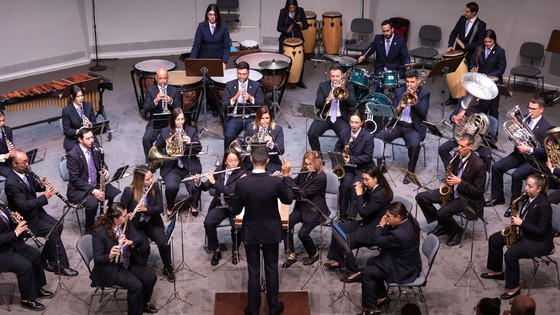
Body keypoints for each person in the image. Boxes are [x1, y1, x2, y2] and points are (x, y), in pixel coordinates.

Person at [230, 146, 294, 315]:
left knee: (253, 270)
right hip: (271, 231)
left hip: (251, 231)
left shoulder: (242, 183)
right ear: (267, 161)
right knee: (272, 267)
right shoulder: (276, 181)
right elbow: (288, 199)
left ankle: (253, 309)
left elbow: (235, 209)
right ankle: (273, 306)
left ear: (250, 160)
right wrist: (286, 176)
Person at [5, 149, 79, 277]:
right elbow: (25, 205)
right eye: (23, 163)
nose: (27, 165)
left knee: (58, 225)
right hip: (26, 219)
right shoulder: (11, 183)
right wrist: (45, 197)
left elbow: (34, 186)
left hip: (35, 212)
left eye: (27, 161)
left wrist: (41, 185)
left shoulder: (25, 171)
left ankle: (45, 257)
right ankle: (61, 266)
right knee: (53, 230)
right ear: (14, 164)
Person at [481, 174, 554, 300]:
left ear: (539, 189)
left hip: (538, 241)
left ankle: (514, 288)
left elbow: (541, 231)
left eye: (530, 186)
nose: (526, 188)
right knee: (494, 239)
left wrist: (522, 224)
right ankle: (496, 271)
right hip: (524, 232)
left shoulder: (544, 206)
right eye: (526, 184)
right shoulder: (528, 197)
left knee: (510, 255)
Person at [485, 98, 553, 217]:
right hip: (519, 155)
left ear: (541, 109)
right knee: (496, 167)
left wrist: (529, 149)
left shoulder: (547, 127)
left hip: (534, 160)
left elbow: (545, 152)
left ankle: (514, 206)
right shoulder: (524, 118)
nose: (530, 111)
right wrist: (512, 132)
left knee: (516, 175)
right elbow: (516, 138)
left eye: (534, 109)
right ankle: (497, 197)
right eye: (529, 108)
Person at [324, 165, 393, 281]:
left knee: (343, 241)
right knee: (337, 228)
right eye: (363, 179)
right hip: (368, 221)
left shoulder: (379, 195)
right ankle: (340, 260)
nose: (364, 182)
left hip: (373, 228)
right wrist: (364, 191)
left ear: (376, 178)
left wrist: (359, 194)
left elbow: (363, 212)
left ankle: (354, 272)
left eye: (367, 179)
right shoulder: (375, 188)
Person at [417, 134, 486, 246]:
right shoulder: (457, 155)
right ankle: (443, 224)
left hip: (466, 198)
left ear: (471, 146)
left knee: (441, 213)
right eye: (458, 145)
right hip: (452, 190)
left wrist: (459, 182)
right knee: (421, 197)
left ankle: (457, 231)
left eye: (462, 146)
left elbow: (478, 191)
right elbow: (453, 172)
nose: (459, 148)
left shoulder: (479, 165)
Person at [91, 203, 157, 315]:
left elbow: (138, 239)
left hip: (126, 261)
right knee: (137, 286)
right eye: (124, 215)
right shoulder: (99, 232)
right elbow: (98, 258)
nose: (128, 216)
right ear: (115, 219)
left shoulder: (125, 222)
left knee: (151, 277)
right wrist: (110, 255)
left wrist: (130, 242)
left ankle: (141, 305)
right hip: (110, 268)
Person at [357, 202, 422, 315]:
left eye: (388, 216)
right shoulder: (411, 221)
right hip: (407, 260)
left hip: (402, 269)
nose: (386, 218)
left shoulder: (399, 235)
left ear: (398, 217)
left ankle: (370, 310)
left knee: (367, 273)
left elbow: (376, 240)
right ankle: (381, 297)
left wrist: (381, 225)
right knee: (370, 261)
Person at [120, 165, 175, 282]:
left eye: (151, 177)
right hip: (137, 226)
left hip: (151, 221)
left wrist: (146, 209)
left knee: (163, 243)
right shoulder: (129, 192)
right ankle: (141, 271)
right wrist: (128, 215)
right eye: (148, 179)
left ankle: (168, 267)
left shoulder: (154, 186)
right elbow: (121, 212)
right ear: (139, 181)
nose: (151, 180)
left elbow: (160, 207)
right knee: (144, 247)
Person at [375, 69, 430, 184]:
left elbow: (423, 112)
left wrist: (414, 102)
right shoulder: (400, 91)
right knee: (379, 137)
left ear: (418, 81)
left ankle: (410, 172)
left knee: (415, 145)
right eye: (408, 82)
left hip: (413, 127)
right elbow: (393, 112)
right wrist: (400, 106)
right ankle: (381, 164)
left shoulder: (424, 93)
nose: (409, 85)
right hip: (399, 124)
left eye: (412, 82)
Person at [196, 148, 246, 266]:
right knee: (208, 223)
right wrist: (199, 182)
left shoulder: (242, 174)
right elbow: (206, 187)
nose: (233, 163)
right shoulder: (219, 170)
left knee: (236, 228)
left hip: (235, 206)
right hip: (220, 204)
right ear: (225, 162)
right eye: (230, 161)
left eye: (236, 160)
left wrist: (214, 182)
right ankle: (216, 249)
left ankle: (235, 251)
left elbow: (230, 191)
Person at [66, 128, 121, 234]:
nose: (92, 140)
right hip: (79, 189)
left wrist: (105, 170)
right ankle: (89, 228)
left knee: (117, 195)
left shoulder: (95, 149)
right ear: (80, 140)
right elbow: (75, 179)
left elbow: (102, 163)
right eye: (88, 138)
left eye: (92, 137)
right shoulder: (73, 155)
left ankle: (106, 219)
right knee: (92, 203)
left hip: (96, 183)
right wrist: (93, 191)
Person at [0, 207, 53, 311]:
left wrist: (14, 220)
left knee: (36, 255)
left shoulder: (1, 205)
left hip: (10, 243)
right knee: (25, 266)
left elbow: (6, 225)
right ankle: (26, 300)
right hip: (2, 253)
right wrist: (15, 232)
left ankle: (37, 288)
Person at [282, 150, 328, 268]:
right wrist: (284, 178)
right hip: (302, 206)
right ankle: (291, 253)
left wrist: (287, 177)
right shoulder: (304, 171)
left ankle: (314, 253)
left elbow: (303, 193)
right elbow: (294, 183)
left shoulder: (320, 178)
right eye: (305, 163)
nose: (306, 166)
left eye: (309, 164)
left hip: (314, 209)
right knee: (286, 225)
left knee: (302, 234)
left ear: (317, 164)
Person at [154, 108, 202, 217]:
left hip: (189, 165)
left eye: (182, 119)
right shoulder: (165, 132)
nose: (181, 122)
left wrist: (190, 142)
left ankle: (194, 203)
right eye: (178, 119)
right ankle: (170, 206)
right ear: (172, 120)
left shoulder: (192, 131)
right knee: (171, 186)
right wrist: (169, 149)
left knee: (194, 185)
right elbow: (157, 147)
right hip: (171, 166)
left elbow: (198, 149)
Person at [308, 64, 357, 154]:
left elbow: (353, 104)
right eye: (332, 76)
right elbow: (317, 104)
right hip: (325, 117)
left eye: (337, 76)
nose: (335, 79)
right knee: (311, 133)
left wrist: (344, 93)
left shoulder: (348, 86)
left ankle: (341, 158)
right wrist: (328, 99)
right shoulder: (323, 86)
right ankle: (318, 157)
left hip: (340, 118)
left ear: (342, 75)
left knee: (346, 135)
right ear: (329, 76)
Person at [335, 110, 374, 221]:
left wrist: (351, 159)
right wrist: (338, 161)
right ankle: (342, 215)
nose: (353, 125)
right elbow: (337, 147)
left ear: (362, 122)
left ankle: (351, 216)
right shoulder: (344, 132)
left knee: (354, 187)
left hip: (362, 169)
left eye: (356, 122)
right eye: (352, 122)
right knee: (344, 186)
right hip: (347, 168)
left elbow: (368, 157)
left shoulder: (368, 137)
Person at [445, 2, 486, 105]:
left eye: (467, 11)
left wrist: (465, 46)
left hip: (470, 55)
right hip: (457, 53)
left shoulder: (481, 25)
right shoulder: (462, 19)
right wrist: (450, 45)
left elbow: (480, 42)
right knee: (454, 75)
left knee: (465, 78)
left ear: (474, 12)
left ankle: (462, 101)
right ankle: (452, 97)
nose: (465, 13)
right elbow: (454, 33)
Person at [357, 19, 410, 92]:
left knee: (398, 87)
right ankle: (379, 100)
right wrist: (363, 55)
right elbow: (370, 48)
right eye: (383, 31)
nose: (385, 33)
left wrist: (407, 63)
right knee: (379, 84)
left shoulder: (400, 40)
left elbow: (405, 55)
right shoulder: (378, 38)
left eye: (387, 31)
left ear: (392, 29)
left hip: (395, 68)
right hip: (381, 68)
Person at [222, 61, 265, 149]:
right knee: (229, 135)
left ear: (249, 73)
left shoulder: (256, 85)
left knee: (253, 136)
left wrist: (250, 98)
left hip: (251, 117)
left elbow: (261, 103)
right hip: (234, 117)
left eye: (244, 74)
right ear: (236, 72)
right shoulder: (229, 85)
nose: (241, 76)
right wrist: (234, 97)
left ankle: (251, 159)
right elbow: (224, 106)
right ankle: (227, 160)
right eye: (239, 74)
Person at [142, 67, 181, 159]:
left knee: (177, 137)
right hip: (156, 120)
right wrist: (155, 100)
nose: (163, 81)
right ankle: (150, 160)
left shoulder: (174, 90)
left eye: (165, 78)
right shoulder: (150, 91)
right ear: (156, 78)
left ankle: (174, 159)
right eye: (160, 78)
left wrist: (171, 102)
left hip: (171, 120)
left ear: (168, 78)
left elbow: (180, 109)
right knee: (146, 138)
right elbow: (145, 108)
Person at [469, 29, 506, 120]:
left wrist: (487, 76)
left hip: (493, 83)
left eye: (490, 41)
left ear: (494, 40)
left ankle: (493, 133)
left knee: (493, 109)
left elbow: (501, 69)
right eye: (486, 42)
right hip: (481, 82)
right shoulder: (479, 48)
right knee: (480, 106)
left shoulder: (500, 51)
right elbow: (473, 62)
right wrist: (473, 68)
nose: (488, 44)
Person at [277, 0, 309, 89]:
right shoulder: (283, 12)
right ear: (287, 6)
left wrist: (302, 25)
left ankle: (299, 81)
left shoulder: (300, 11)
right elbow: (279, 27)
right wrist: (286, 30)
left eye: (293, 8)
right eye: (290, 8)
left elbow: (306, 25)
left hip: (298, 38)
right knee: (283, 61)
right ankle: (282, 82)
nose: (291, 9)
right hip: (285, 39)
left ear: (296, 6)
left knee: (300, 61)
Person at [243, 105, 284, 173]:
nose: (265, 121)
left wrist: (272, 144)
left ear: (271, 118)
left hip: (271, 163)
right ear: (258, 118)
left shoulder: (278, 129)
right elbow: (244, 146)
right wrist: (254, 142)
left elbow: (281, 150)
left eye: (267, 118)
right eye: (262, 118)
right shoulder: (250, 127)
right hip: (252, 163)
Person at [191, 3, 231, 71]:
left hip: (218, 59)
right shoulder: (201, 26)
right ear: (207, 15)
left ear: (217, 15)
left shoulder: (223, 27)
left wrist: (224, 62)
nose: (212, 17)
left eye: (214, 14)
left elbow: (226, 47)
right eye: (210, 14)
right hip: (204, 58)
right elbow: (196, 45)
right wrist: (191, 61)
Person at [62, 85, 98, 152]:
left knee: (98, 151)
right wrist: (78, 131)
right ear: (72, 96)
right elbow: (66, 130)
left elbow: (94, 122)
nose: (81, 98)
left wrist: (90, 124)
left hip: (88, 137)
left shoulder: (88, 106)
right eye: (78, 96)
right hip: (74, 139)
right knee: (79, 154)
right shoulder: (66, 111)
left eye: (82, 95)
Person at [0, 110, 14, 177]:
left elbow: (11, 144)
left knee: (22, 169)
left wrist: (11, 150)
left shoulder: (7, 130)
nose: (2, 123)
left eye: (3, 120)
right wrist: (4, 156)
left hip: (9, 160)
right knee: (12, 175)